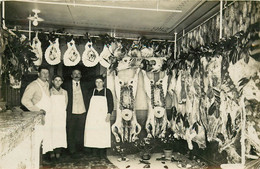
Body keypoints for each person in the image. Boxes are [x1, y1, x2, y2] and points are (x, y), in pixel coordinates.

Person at [21, 66, 52, 155]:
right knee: (38, 138)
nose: (45, 75)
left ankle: (44, 158)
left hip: (47, 115)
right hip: (39, 115)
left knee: (45, 137)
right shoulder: (33, 85)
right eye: (43, 73)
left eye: (47, 73)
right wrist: (37, 110)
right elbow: (24, 100)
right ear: (38, 74)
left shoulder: (47, 84)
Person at [84, 75, 114, 159]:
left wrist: (109, 114)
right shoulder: (91, 91)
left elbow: (111, 103)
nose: (99, 83)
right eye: (97, 82)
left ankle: (101, 153)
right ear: (95, 83)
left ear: (103, 82)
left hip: (103, 116)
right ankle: (94, 152)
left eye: (100, 82)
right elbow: (87, 103)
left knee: (102, 133)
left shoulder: (107, 91)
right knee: (93, 132)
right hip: (93, 116)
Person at [63, 68, 88, 158]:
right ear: (71, 76)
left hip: (82, 111)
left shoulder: (85, 85)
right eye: (75, 73)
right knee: (71, 131)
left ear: (81, 76)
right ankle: (72, 150)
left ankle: (81, 149)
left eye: (78, 73)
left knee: (82, 130)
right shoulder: (66, 85)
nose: (77, 75)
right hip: (71, 112)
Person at [49, 75, 68, 160]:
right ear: (52, 81)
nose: (57, 82)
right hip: (52, 115)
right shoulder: (49, 91)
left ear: (62, 82)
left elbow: (66, 104)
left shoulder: (64, 92)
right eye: (56, 80)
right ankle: (51, 152)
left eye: (59, 80)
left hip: (61, 116)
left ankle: (58, 152)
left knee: (60, 133)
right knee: (52, 133)